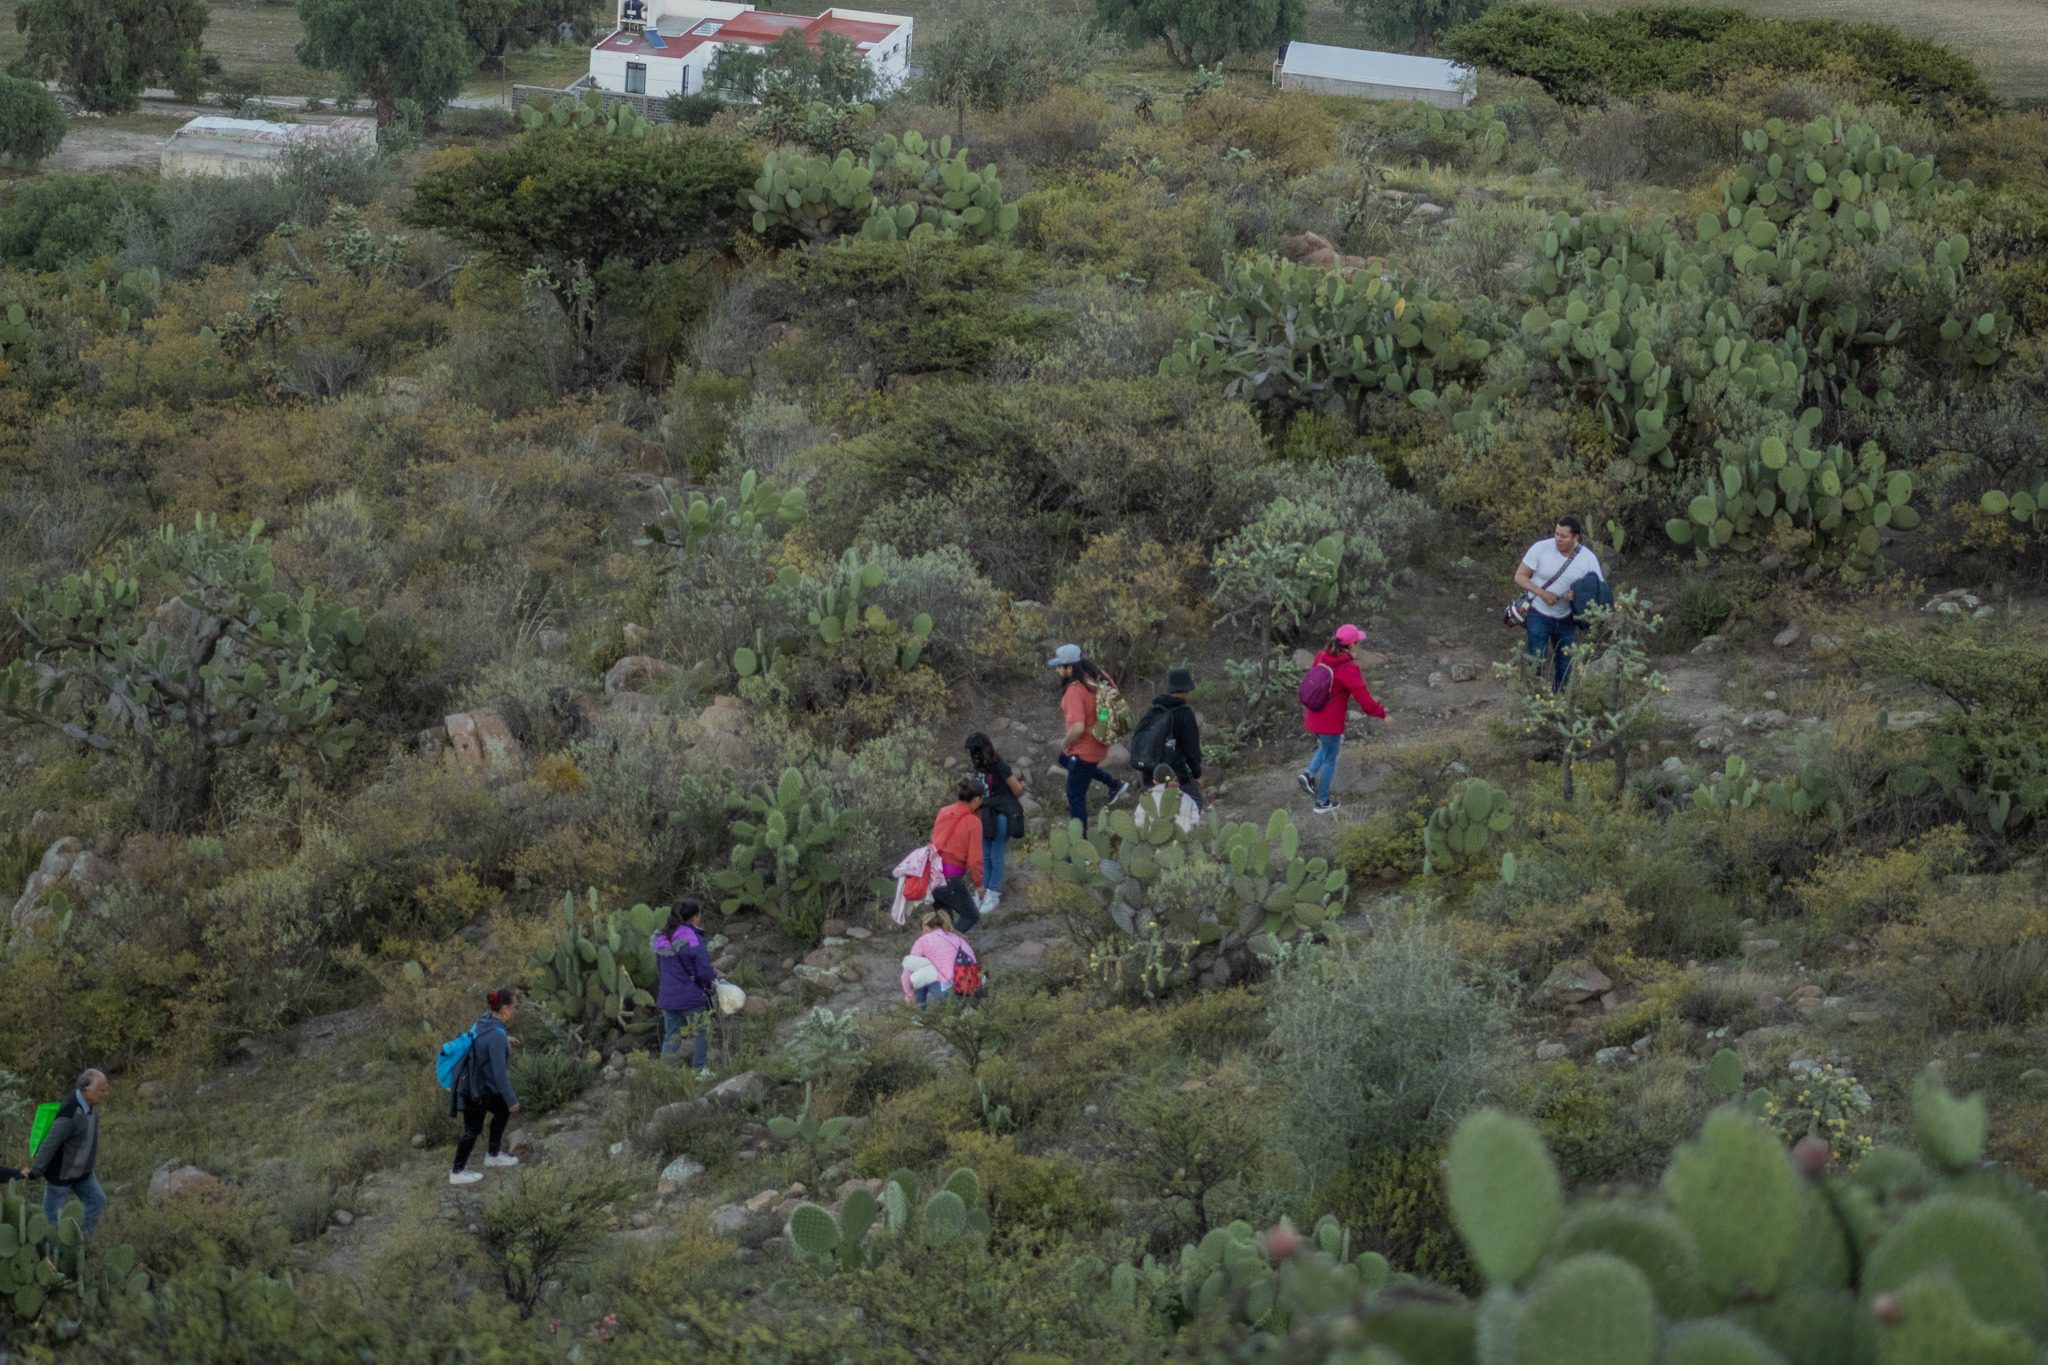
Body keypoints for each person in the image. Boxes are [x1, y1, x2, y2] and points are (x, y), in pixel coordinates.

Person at [1298, 624, 1388, 815]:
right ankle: (1322, 802)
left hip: (1313, 714)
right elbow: (1364, 700)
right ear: (1352, 645)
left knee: (1325, 746)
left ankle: (1308, 774)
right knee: (1331, 757)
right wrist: (1382, 713)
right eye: (1358, 643)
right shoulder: (1347, 668)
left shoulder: (1321, 656)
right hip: (1330, 721)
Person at [1514, 514, 1604, 690]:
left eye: (1563, 536)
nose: (1558, 539)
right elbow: (1519, 576)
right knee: (1537, 659)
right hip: (1538, 614)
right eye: (1556, 534)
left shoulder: (1587, 558)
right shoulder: (1540, 548)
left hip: (1567, 618)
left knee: (1565, 664)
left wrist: (1578, 595)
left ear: (1575, 537)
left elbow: (1598, 588)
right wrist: (1541, 593)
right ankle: (1535, 699)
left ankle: (1560, 703)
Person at [1048, 644, 1129, 832]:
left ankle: (1080, 847)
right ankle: (1114, 784)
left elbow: (1077, 727)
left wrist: (1064, 743)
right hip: (1100, 742)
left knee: (1075, 796)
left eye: (1059, 666)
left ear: (1070, 668)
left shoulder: (1075, 691)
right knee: (1065, 760)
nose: (1057, 670)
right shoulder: (1097, 678)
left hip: (1084, 749)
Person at [449, 989, 521, 1187]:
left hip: (477, 1085)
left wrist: (504, 1041)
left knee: (501, 1110)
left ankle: (493, 1154)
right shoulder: (496, 1034)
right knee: (472, 1130)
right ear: (505, 1009)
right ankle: (457, 1171)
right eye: (515, 1007)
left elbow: (482, 1040)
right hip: (476, 1090)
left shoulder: (485, 1020)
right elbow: (499, 1073)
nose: (515, 1010)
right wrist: (512, 1098)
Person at [30, 1069, 108, 1236]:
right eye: (101, 1090)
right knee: (50, 1222)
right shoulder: (70, 1112)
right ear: (87, 1090)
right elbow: (51, 1142)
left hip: (83, 1174)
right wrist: (37, 1169)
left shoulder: (91, 1108)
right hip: (60, 1176)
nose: (104, 1094)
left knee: (98, 1200)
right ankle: (48, 1256)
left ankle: (81, 1243)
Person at [652, 897, 717, 1079]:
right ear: (695, 917)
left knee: (671, 1036)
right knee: (702, 1032)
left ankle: (665, 1074)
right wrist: (713, 979)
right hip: (690, 997)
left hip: (668, 997)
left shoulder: (661, 936)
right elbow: (703, 969)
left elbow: (660, 966)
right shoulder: (692, 937)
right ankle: (699, 1070)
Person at [965, 732, 1024, 915]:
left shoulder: (999, 765)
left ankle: (994, 892)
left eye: (974, 751)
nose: (973, 756)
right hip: (986, 815)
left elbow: (1018, 789)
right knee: (985, 854)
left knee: (996, 852)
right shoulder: (981, 768)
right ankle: (984, 891)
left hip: (1001, 815)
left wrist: (1000, 801)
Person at [1134, 665, 1205, 811]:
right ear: (1186, 690)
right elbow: (1191, 749)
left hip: (1151, 772)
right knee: (1195, 803)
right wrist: (1197, 774)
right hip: (1174, 773)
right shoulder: (1184, 713)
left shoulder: (1154, 710)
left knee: (1155, 809)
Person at [929, 778, 985, 933]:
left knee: (944, 922)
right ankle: (949, 947)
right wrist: (979, 884)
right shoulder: (973, 822)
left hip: (934, 876)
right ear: (976, 799)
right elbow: (975, 860)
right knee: (971, 916)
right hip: (950, 879)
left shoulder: (944, 811)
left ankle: (935, 952)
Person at [900, 909, 973, 1008]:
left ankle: (918, 1015)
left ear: (925, 928)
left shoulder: (923, 941)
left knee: (919, 975)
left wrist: (909, 995)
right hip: (970, 987)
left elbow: (906, 976)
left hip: (948, 991)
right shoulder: (958, 938)